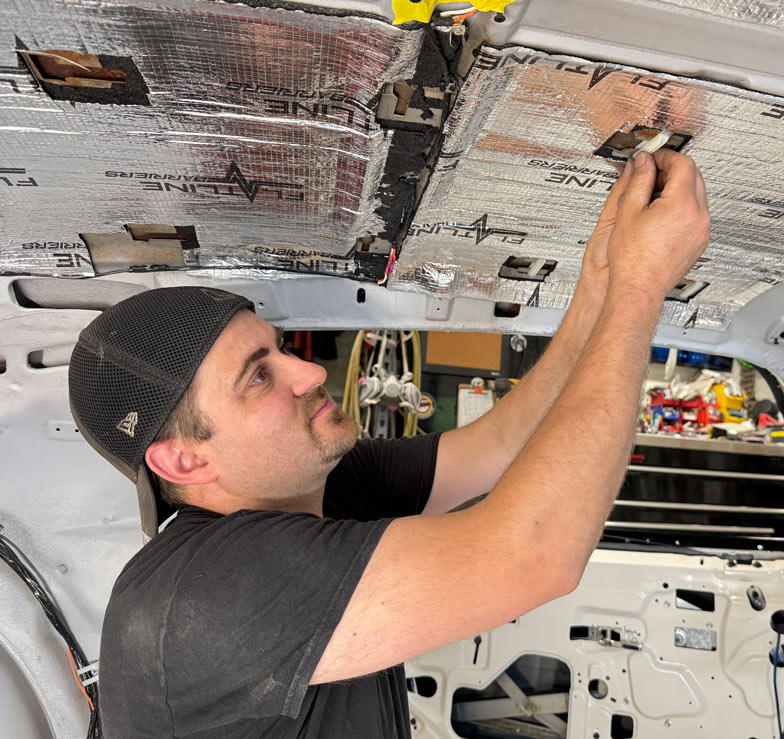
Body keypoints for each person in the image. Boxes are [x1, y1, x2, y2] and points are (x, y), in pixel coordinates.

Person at [67, 148, 710, 738]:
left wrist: (601, 286)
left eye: (280, 349)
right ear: (184, 459)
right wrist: (640, 291)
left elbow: (497, 449)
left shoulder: (313, 489)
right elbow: (537, 556)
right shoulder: (202, 592)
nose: (311, 372)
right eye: (259, 377)